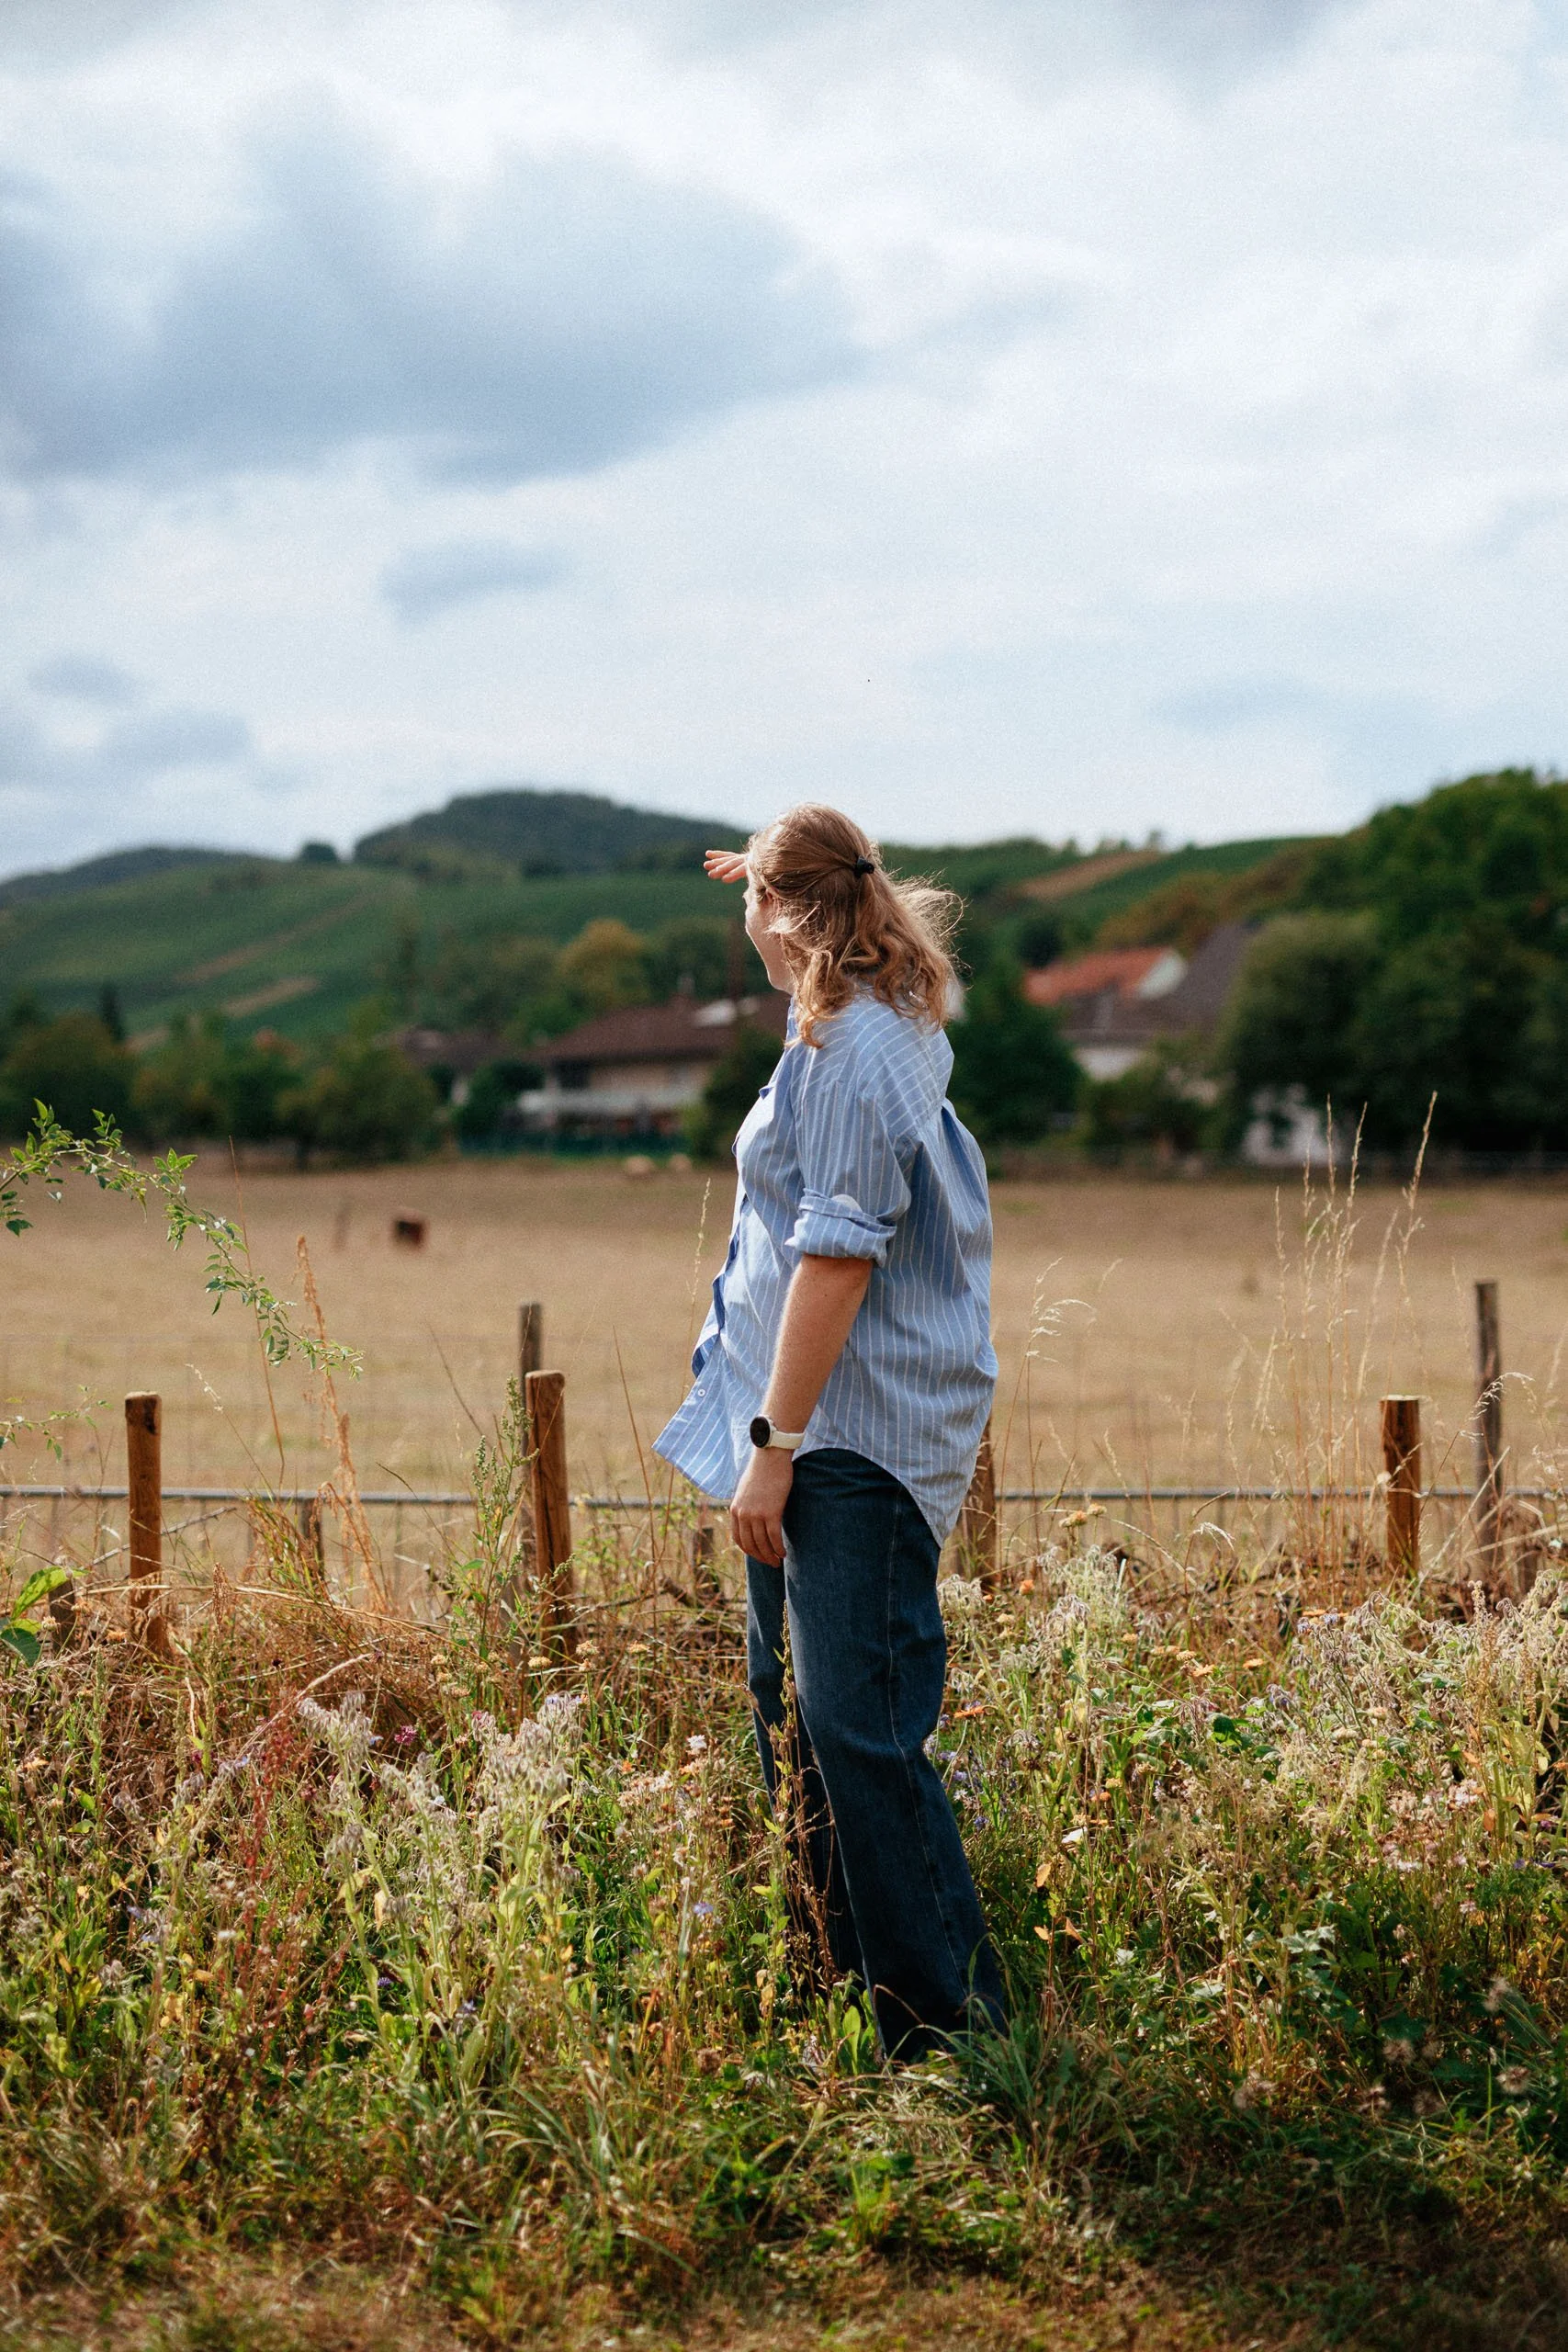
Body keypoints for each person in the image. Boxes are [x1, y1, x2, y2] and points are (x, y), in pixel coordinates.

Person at [653, 802, 1006, 2058]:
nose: (741, 922)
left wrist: (774, 1445)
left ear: (777, 909)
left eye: (746, 897)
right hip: (815, 1426)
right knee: (792, 1709)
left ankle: (951, 2030)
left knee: (855, 1723)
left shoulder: (855, 1045)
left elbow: (838, 1261)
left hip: (843, 1436)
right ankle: (845, 1991)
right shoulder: (844, 1027)